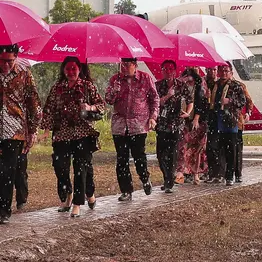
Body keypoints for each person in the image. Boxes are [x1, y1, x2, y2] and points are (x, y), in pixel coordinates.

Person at [40, 56, 104, 217]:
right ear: (63, 70)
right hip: (62, 133)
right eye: (67, 68)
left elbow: (101, 106)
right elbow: (49, 109)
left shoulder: (87, 86)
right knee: (60, 166)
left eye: (73, 68)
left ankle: (77, 202)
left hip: (83, 133)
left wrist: (90, 107)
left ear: (79, 69)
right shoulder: (57, 88)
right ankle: (68, 194)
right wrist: (46, 130)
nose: (70, 72)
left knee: (80, 169)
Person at [105, 57, 159, 201]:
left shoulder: (145, 78)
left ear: (135, 65)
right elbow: (108, 100)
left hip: (138, 125)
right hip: (120, 125)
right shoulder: (115, 79)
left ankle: (145, 178)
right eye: (122, 64)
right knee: (121, 159)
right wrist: (114, 91)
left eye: (128, 64)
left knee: (138, 156)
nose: (124, 67)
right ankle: (126, 190)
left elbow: (155, 99)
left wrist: (153, 117)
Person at [0, 44, 41, 224]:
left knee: (8, 171)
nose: (5, 65)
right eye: (2, 61)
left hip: (15, 131)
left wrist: (32, 131)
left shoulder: (24, 74)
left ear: (16, 57)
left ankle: (4, 210)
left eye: (9, 61)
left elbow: (34, 104)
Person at [155, 60, 193, 193]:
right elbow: (155, 103)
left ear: (175, 71)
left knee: (173, 153)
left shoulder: (182, 85)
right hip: (162, 124)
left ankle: (168, 181)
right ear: (162, 70)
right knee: (161, 154)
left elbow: (190, 101)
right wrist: (167, 96)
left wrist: (187, 113)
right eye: (165, 69)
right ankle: (167, 176)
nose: (168, 71)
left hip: (176, 124)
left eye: (171, 69)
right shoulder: (157, 85)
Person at [209, 62, 246, 186]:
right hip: (216, 120)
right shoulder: (215, 85)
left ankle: (231, 175)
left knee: (231, 150)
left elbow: (242, 101)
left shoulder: (236, 86)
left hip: (230, 121)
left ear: (231, 72)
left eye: (226, 71)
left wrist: (229, 101)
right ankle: (220, 173)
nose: (224, 73)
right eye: (222, 71)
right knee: (217, 149)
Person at [175, 67, 209, 185]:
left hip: (198, 122)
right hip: (184, 122)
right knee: (182, 147)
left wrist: (196, 117)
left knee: (197, 149)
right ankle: (181, 173)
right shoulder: (180, 87)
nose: (188, 83)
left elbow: (202, 103)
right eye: (187, 81)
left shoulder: (200, 87)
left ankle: (196, 174)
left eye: (190, 81)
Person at [235, 80, 253, 183]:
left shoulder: (240, 85)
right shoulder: (217, 84)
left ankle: (238, 173)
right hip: (222, 123)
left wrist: (248, 112)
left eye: (226, 71)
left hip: (237, 122)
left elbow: (249, 100)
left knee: (237, 149)